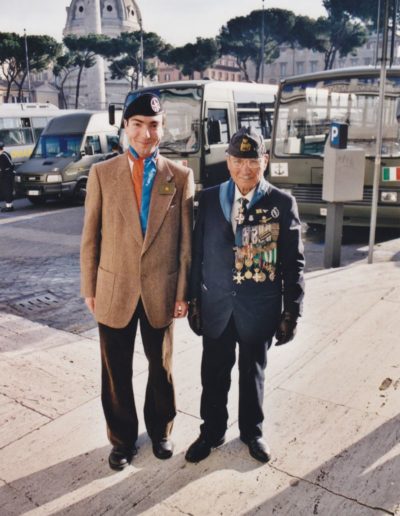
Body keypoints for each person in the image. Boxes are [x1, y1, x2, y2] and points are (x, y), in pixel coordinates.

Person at [80, 92, 194, 470]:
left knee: (160, 367)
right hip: (114, 290)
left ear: (163, 128)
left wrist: (182, 293)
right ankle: (122, 439)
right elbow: (90, 238)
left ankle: (160, 430)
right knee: (115, 370)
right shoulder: (102, 173)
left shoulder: (179, 177)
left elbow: (185, 246)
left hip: (160, 290)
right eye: (138, 125)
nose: (146, 133)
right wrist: (90, 288)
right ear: (126, 128)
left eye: (154, 125)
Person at [185, 127, 305, 464]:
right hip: (217, 305)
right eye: (238, 161)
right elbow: (198, 254)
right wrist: (194, 300)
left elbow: (294, 263)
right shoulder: (208, 199)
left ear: (264, 161)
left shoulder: (281, 204)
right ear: (228, 162)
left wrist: (291, 312)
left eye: (252, 161)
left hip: (259, 308)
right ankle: (211, 431)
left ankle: (252, 432)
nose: (245, 169)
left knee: (253, 373)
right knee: (213, 373)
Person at [0, 142, 15, 212]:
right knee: (5, 190)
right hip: (4, 175)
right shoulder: (2, 155)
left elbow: (11, 165)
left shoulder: (4, 155)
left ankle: (9, 207)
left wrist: (5, 173)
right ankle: (8, 206)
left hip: (6, 175)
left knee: (7, 190)